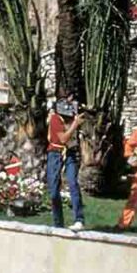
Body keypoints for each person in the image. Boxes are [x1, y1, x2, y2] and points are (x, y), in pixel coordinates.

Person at [46, 94, 86, 231]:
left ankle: (79, 219)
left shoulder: (72, 117)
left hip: (70, 154)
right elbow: (62, 138)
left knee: (73, 183)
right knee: (53, 191)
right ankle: (58, 223)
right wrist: (75, 124)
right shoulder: (55, 119)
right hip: (55, 154)